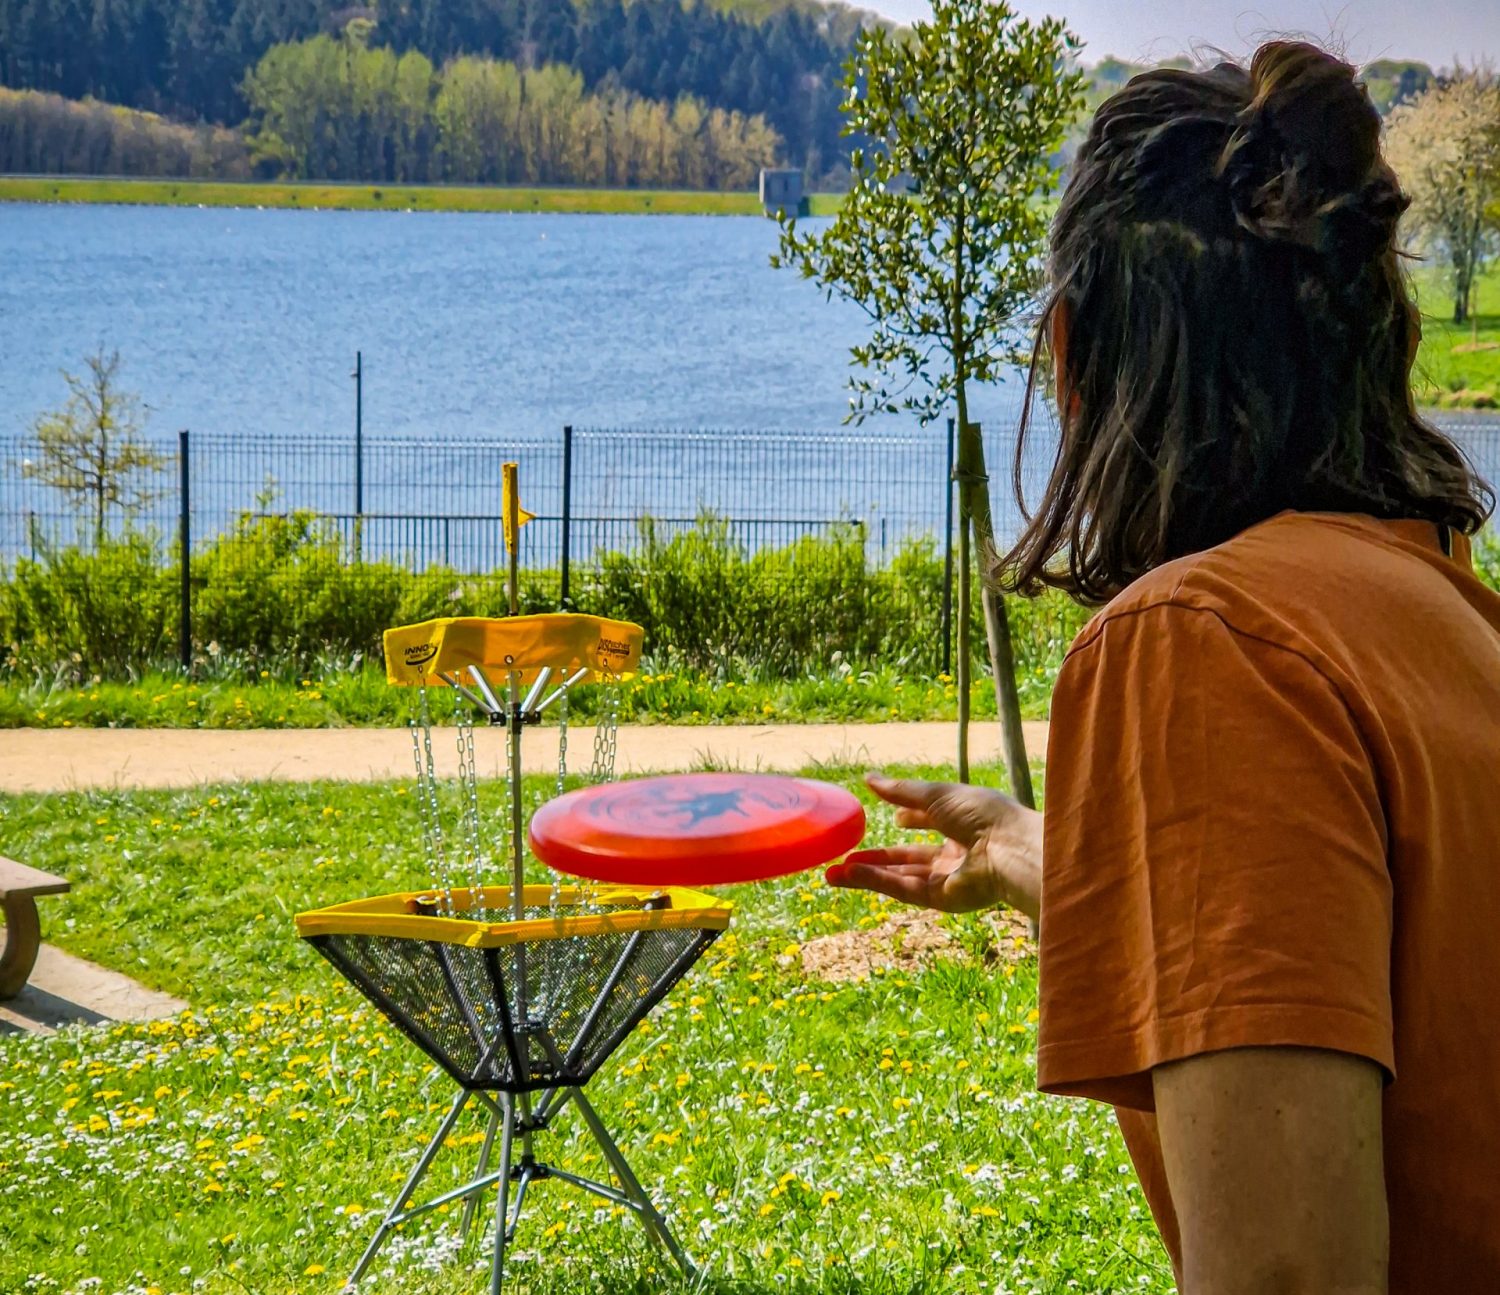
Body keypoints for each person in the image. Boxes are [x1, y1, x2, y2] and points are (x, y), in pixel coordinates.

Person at [827, 40, 1500, 1295]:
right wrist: (1053, 859)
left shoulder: (1204, 639)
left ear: (1076, 357)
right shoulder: (1443, 608)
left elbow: (1286, 1273)